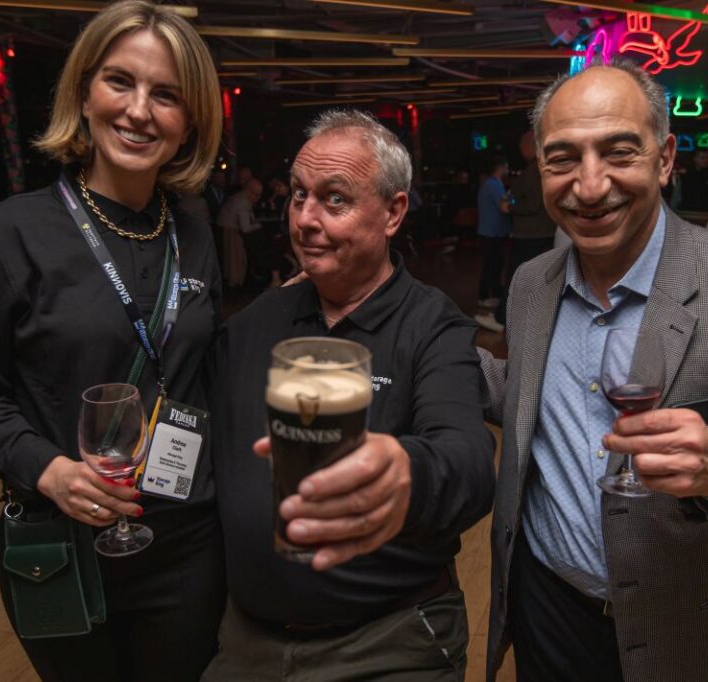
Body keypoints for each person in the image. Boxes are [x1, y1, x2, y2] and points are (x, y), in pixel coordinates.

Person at [480, 59, 708, 681]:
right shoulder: (531, 283)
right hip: (546, 608)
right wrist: (393, 320)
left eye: (618, 152)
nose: (590, 186)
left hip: (691, 626)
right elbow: (526, 395)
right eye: (562, 159)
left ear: (666, 159)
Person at [0, 3, 225, 680]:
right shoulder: (10, 236)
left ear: (190, 123)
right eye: (120, 82)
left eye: (167, 95)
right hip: (62, 540)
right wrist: (48, 470)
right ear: (84, 93)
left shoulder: (195, 233)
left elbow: (202, 366)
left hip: (186, 543)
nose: (139, 111)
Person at [203, 109, 495, 681]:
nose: (305, 219)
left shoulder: (431, 325)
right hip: (247, 641)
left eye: (334, 200)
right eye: (297, 196)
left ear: (393, 212)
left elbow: (467, 461)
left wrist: (406, 471)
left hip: (387, 643)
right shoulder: (258, 321)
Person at [475, 131, 555, 333]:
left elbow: (531, 204)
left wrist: (510, 204)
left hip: (531, 234)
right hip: (533, 233)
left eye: (522, 147)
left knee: (516, 278)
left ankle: (502, 319)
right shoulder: (540, 169)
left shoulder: (535, 171)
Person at [476, 157, 512, 308]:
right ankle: (490, 297)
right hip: (493, 233)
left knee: (491, 265)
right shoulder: (494, 185)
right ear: (500, 167)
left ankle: (487, 296)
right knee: (494, 266)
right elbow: (504, 207)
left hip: (488, 232)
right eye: (506, 166)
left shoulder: (489, 184)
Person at [218, 177, 266, 289]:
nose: (258, 198)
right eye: (256, 195)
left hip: (227, 228)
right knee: (236, 259)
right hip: (230, 230)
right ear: (248, 190)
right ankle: (234, 285)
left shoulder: (241, 197)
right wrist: (259, 225)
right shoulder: (243, 203)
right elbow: (245, 228)